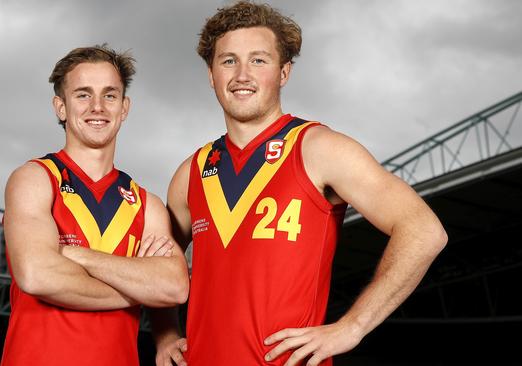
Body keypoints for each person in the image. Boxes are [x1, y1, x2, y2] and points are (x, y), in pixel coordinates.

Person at [152, 2, 447, 366]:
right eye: (228, 61)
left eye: (258, 60)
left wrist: (352, 326)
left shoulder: (320, 149)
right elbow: (159, 265)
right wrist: (165, 334)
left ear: (284, 72)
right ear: (211, 75)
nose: (242, 74)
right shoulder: (191, 172)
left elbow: (424, 230)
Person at [0, 45, 189, 366]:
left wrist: (73, 255)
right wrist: (140, 289)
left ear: (124, 107)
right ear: (61, 107)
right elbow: (37, 275)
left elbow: (173, 287)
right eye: (83, 95)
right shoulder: (34, 179)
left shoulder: (146, 205)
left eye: (110, 95)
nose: (97, 107)